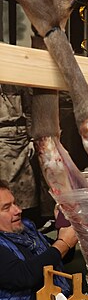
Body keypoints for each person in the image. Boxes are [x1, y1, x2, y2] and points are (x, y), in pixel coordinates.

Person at [0, 179, 78, 300]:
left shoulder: (26, 231)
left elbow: (59, 257)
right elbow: (23, 275)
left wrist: (63, 225)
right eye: (6, 208)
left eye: (15, 203)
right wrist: (63, 243)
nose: (18, 210)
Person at [0, 83, 38, 217]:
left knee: (26, 184)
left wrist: (31, 138)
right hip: (3, 139)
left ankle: (25, 216)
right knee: (7, 181)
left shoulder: (17, 83)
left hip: (21, 137)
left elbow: (29, 110)